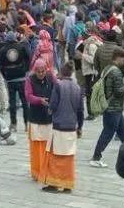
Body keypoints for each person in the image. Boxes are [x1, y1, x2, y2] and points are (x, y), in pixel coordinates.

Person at [43, 63, 82, 193]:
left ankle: (54, 183)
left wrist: (49, 110)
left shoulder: (58, 85)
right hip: (71, 126)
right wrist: (80, 127)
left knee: (55, 156)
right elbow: (80, 110)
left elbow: (53, 105)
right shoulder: (77, 87)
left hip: (59, 125)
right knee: (68, 156)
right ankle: (67, 184)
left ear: (61, 73)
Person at [90, 48, 124, 167]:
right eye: (123, 58)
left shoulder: (107, 68)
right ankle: (96, 157)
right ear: (118, 58)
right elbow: (117, 92)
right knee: (108, 133)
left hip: (111, 107)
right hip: (113, 108)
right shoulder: (116, 72)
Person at [22, 58, 54, 181]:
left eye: (43, 71)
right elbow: (28, 96)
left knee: (48, 146)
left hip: (48, 117)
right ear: (34, 70)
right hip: (35, 118)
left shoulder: (51, 77)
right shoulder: (29, 80)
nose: (41, 74)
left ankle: (47, 169)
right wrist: (39, 100)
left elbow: (57, 89)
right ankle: (37, 171)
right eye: (38, 71)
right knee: (36, 148)